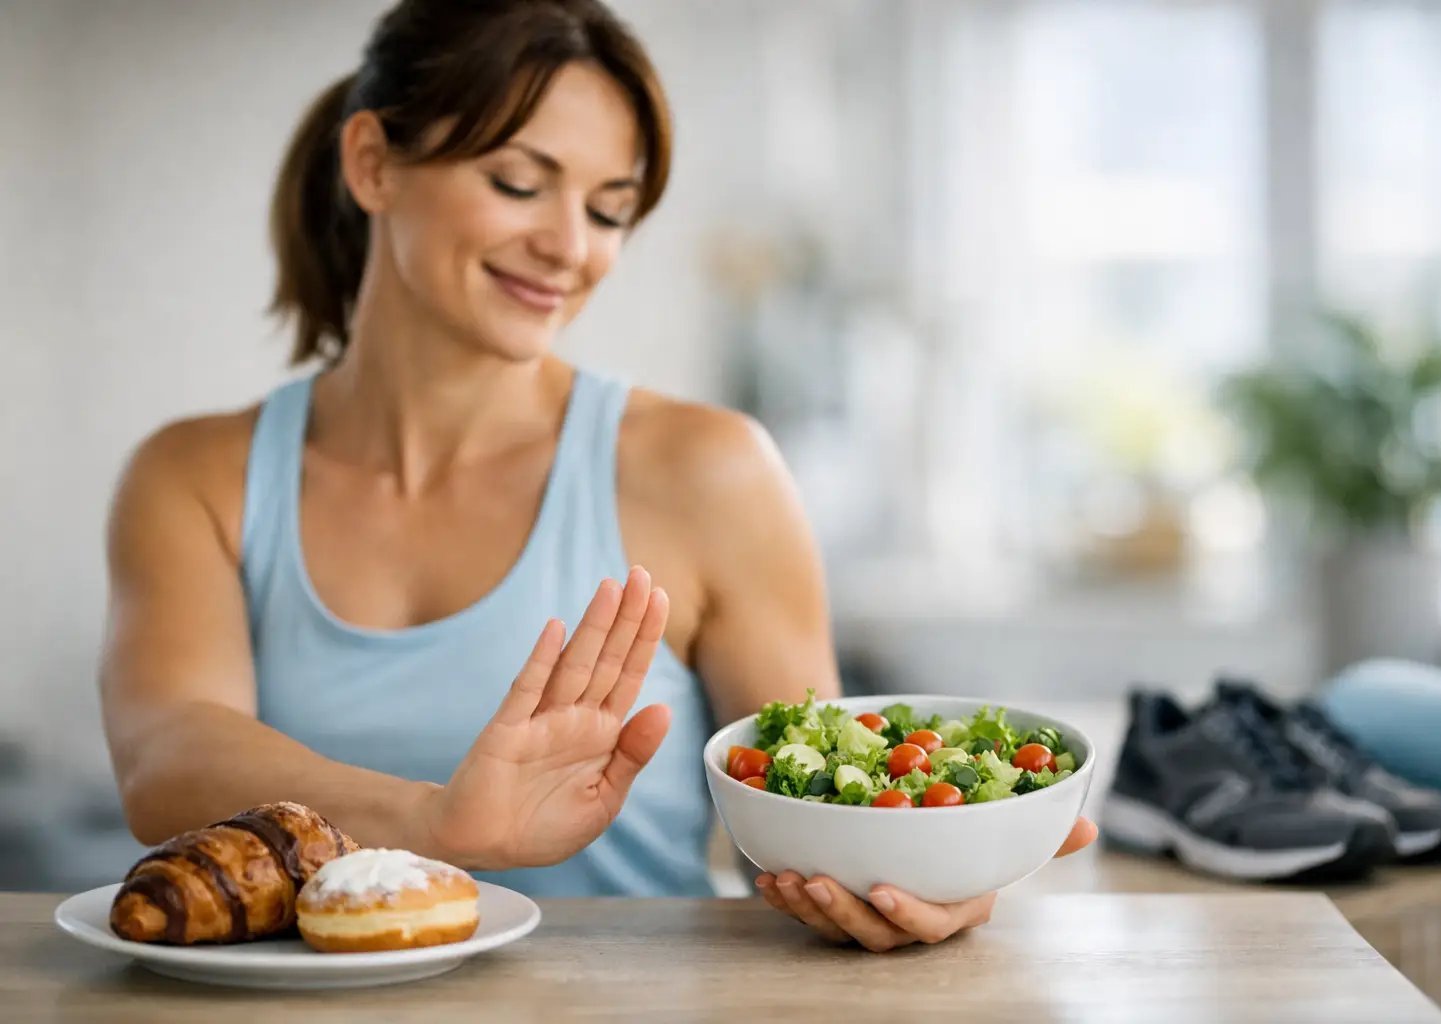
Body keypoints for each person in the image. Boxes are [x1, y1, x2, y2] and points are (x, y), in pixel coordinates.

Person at [99, 0, 1095, 953]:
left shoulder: (710, 470)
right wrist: (446, 821)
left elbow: (807, 822)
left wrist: (896, 873)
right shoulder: (196, 475)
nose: (571, 248)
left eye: (610, 209)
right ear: (373, 163)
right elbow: (164, 756)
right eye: (520, 184)